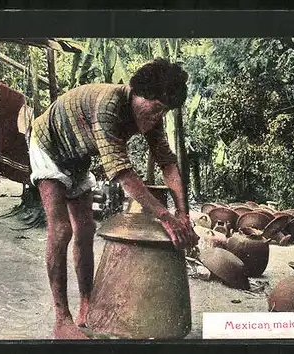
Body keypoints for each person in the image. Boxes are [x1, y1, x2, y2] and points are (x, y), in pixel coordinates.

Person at [28, 58, 199, 339]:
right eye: (156, 108)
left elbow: (168, 163)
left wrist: (183, 213)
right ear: (136, 93)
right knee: (61, 230)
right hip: (49, 145)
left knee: (86, 230)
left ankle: (86, 304)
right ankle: (62, 319)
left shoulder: (151, 117)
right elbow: (122, 172)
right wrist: (165, 218)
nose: (157, 116)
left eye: (164, 111)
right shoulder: (109, 107)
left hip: (78, 157)